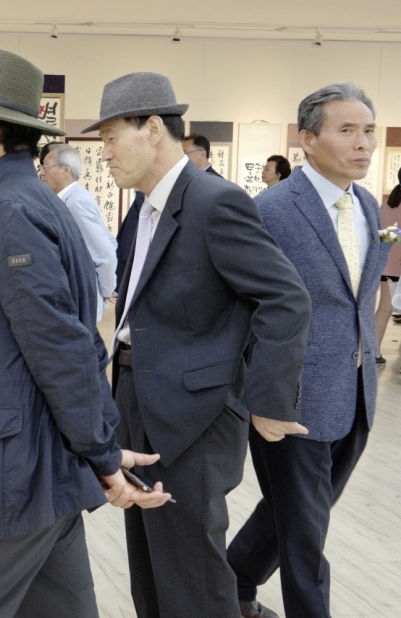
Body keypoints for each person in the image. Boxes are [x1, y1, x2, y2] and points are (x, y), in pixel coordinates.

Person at [0, 49, 167, 618]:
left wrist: (101, 452)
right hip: (31, 473)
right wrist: (96, 448)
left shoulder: (9, 211)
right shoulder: (9, 200)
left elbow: (61, 348)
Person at [87, 71, 312, 618]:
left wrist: (267, 400)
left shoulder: (215, 202)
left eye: (112, 137)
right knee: (150, 567)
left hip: (196, 417)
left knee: (193, 576)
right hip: (138, 398)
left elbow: (285, 298)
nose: (106, 152)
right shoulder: (144, 207)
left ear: (153, 129)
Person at [228, 82, 388, 618]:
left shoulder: (366, 205)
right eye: (347, 130)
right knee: (305, 532)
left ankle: (234, 581)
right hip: (289, 397)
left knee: (296, 511)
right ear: (308, 139)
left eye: (368, 130)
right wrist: (259, 395)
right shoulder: (271, 210)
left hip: (355, 391)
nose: (363, 143)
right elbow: (244, 308)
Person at [38, 142, 118, 317]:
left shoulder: (75, 203)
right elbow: (109, 240)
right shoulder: (70, 199)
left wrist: (106, 289)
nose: (42, 172)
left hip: (79, 295)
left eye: (46, 166)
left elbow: (105, 255)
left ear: (66, 170)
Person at [377, 167, 401, 363]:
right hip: (397, 265)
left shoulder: (387, 204)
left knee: (384, 309)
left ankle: (374, 353)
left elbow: (384, 235)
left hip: (386, 265)